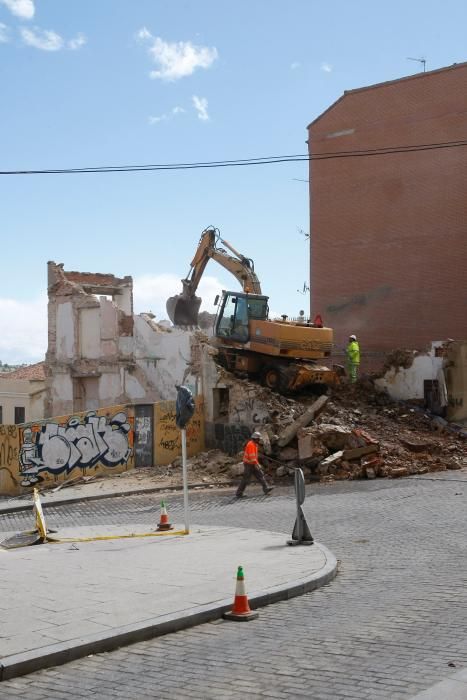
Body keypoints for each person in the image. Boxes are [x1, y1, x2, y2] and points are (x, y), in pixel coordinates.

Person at [235, 432, 274, 498]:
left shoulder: (255, 444)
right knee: (246, 479)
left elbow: (254, 456)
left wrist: (256, 463)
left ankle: (266, 489)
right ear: (255, 438)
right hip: (248, 464)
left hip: (253, 463)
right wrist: (258, 465)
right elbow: (252, 457)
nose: (259, 440)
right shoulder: (250, 445)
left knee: (260, 475)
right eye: (258, 439)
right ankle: (239, 493)